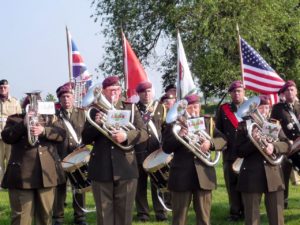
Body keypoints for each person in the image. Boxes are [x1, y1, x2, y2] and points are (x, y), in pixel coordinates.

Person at [82, 76, 147, 225]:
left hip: (126, 167)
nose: (114, 93)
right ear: (103, 91)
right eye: (110, 90)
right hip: (101, 167)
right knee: (104, 216)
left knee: (124, 215)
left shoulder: (130, 107)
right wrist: (97, 124)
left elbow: (143, 133)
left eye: (117, 90)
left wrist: (126, 136)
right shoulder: (94, 110)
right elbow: (85, 138)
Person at [1, 93, 65, 225]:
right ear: (26, 107)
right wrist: (23, 124)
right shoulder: (14, 119)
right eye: (31, 105)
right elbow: (7, 137)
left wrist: (44, 131)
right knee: (21, 218)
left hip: (46, 175)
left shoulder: (51, 119)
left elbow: (62, 135)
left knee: (45, 217)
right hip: (22, 175)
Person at [162, 94, 226, 225]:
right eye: (190, 108)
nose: (193, 111)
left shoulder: (208, 122)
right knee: (179, 219)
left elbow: (223, 140)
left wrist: (210, 144)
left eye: (196, 107)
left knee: (204, 219)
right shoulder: (173, 125)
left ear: (200, 107)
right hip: (181, 175)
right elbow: (166, 148)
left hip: (203, 175)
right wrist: (178, 136)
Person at [236, 96, 290, 225]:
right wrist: (253, 141)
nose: (263, 111)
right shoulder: (244, 126)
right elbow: (239, 151)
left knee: (277, 217)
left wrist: (274, 147)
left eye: (266, 107)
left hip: (273, 174)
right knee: (252, 218)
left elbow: (287, 145)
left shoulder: (273, 125)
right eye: (260, 107)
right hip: (251, 175)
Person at [52, 82, 87, 225]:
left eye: (68, 96)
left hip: (78, 157)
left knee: (79, 188)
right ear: (59, 100)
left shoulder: (82, 113)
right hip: (60, 157)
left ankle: (80, 217)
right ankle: (58, 218)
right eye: (63, 97)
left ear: (73, 98)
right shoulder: (54, 116)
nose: (66, 99)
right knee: (60, 189)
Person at [134, 81, 167, 222]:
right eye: (143, 92)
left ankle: (160, 212)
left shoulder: (161, 107)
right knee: (140, 185)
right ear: (138, 94)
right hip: (139, 152)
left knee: (158, 183)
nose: (146, 95)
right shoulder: (133, 109)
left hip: (156, 152)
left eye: (148, 91)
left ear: (152, 92)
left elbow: (165, 129)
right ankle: (143, 213)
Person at [215, 80, 245, 221]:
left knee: (246, 184)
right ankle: (234, 212)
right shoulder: (224, 109)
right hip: (230, 153)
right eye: (234, 91)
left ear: (243, 92)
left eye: (239, 91)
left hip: (247, 153)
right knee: (231, 184)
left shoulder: (251, 107)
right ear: (230, 93)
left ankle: (247, 211)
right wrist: (223, 141)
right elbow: (216, 130)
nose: (237, 94)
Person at [271, 80, 300, 209]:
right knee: (283, 177)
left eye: (292, 89)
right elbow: (274, 127)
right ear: (283, 93)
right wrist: (284, 140)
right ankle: (283, 203)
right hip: (286, 148)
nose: (290, 92)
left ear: (296, 91)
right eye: (287, 90)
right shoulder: (277, 108)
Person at [0, 79, 22, 185]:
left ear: (8, 88)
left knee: (10, 160)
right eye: (1, 87)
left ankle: (8, 182)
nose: (3, 89)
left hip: (10, 136)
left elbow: (19, 119)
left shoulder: (15, 101)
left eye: (5, 87)